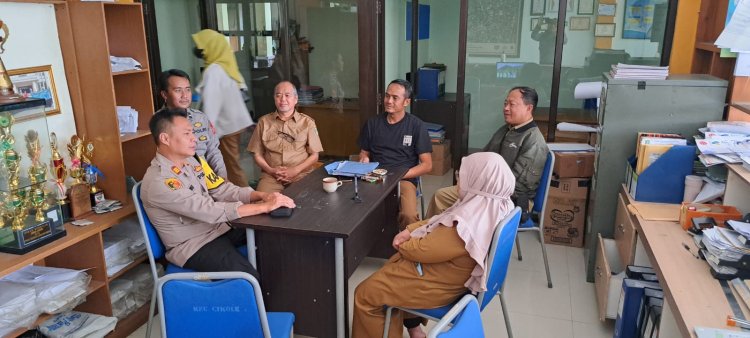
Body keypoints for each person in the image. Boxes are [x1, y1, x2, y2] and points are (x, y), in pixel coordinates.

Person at [352, 152, 516, 338]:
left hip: (440, 283)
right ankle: (412, 328)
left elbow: (421, 250)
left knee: (366, 295)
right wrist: (412, 229)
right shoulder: (493, 205)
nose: (458, 183)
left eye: (462, 177)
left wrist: (402, 241)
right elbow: (441, 219)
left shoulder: (465, 226)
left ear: (479, 181)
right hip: (455, 276)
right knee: (389, 275)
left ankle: (402, 325)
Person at [141, 109, 295, 278]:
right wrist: (264, 207)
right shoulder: (160, 181)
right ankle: (262, 302)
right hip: (194, 244)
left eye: (192, 132)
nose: (195, 138)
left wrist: (261, 196)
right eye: (187, 133)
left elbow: (220, 189)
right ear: (165, 138)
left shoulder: (191, 161)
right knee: (247, 278)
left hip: (219, 228)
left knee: (275, 235)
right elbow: (209, 210)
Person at [426, 86, 548, 224]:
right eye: (505, 103)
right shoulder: (507, 129)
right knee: (440, 196)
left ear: (529, 108)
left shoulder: (534, 141)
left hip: (507, 199)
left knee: (455, 205)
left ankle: (446, 239)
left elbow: (518, 186)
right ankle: (428, 237)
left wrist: (479, 188)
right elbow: (483, 157)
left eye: (512, 104)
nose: (506, 108)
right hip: (485, 190)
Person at [358, 79, 432, 230]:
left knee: (409, 215)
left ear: (406, 102)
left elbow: (427, 165)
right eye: (387, 96)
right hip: (375, 176)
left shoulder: (416, 126)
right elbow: (364, 153)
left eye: (395, 98)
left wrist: (400, 175)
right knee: (355, 206)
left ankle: (409, 250)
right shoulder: (372, 124)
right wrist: (364, 159)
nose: (389, 101)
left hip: (403, 179)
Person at [192, 29, 254, 187]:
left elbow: (212, 105)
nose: (199, 50)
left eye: (201, 46)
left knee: (231, 166)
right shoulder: (226, 66)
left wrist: (204, 130)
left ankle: (246, 196)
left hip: (226, 127)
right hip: (233, 125)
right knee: (230, 163)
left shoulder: (214, 71)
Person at [247, 81, 324, 192]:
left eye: (287, 95)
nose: (283, 99)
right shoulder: (263, 122)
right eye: (278, 95)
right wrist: (270, 170)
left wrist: (295, 171)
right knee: (262, 203)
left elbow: (314, 155)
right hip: (271, 177)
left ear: (295, 99)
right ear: (274, 99)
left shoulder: (307, 122)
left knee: (306, 203)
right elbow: (257, 154)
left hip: (301, 175)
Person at [157, 69, 226, 178]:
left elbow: (213, 151)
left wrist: (223, 178)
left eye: (188, 90)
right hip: (180, 180)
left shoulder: (200, 117)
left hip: (208, 179)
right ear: (165, 94)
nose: (185, 95)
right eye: (178, 90)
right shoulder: (159, 123)